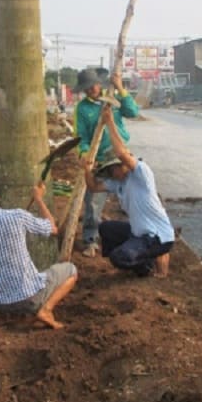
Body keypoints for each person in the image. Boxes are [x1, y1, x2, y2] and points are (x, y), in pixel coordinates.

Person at [0, 179, 78, 329]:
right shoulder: (16, 216)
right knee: (71, 270)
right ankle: (45, 310)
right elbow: (53, 229)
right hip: (30, 298)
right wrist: (39, 199)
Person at [84, 105, 174, 277]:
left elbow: (121, 152)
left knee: (119, 257)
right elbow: (93, 187)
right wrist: (86, 170)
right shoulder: (119, 182)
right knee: (106, 228)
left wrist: (109, 122)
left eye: (112, 170)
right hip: (138, 232)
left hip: (156, 237)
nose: (111, 174)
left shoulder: (141, 174)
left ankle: (145, 263)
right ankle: (140, 260)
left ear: (122, 165)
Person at [74, 67, 139, 257]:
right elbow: (81, 137)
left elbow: (133, 111)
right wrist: (86, 154)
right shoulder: (82, 109)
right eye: (86, 88)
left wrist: (120, 88)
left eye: (92, 86)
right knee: (93, 201)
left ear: (99, 84)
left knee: (134, 196)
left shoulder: (113, 99)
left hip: (121, 156)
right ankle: (90, 240)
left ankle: (138, 233)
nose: (90, 90)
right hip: (101, 160)